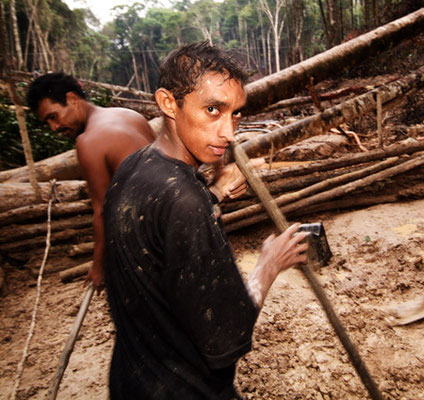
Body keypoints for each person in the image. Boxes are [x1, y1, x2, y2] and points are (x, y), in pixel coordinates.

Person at [102, 41, 309, 399]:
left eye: (236, 113)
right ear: (169, 103)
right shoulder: (185, 200)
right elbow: (226, 334)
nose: (228, 133)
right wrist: (269, 265)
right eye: (213, 109)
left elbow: (155, 236)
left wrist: (214, 194)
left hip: (133, 382)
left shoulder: (134, 167)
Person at [26, 73, 157, 290]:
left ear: (72, 99)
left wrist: (98, 266)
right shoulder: (128, 114)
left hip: (150, 238)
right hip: (175, 219)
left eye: (53, 116)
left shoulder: (88, 142)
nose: (54, 127)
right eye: (47, 122)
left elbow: (103, 210)